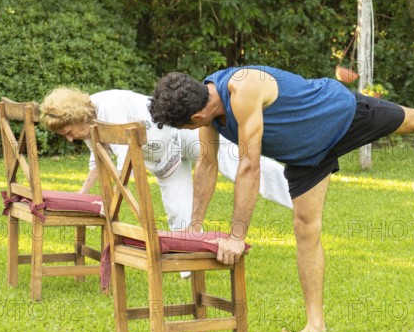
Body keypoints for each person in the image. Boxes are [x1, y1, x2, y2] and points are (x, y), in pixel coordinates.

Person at [148, 65, 414, 332]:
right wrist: (194, 225)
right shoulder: (209, 115)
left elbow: (249, 167)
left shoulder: (241, 89)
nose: (189, 131)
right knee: (305, 230)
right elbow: (207, 165)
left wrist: (236, 234)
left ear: (195, 114)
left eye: (185, 126)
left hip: (339, 115)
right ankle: (316, 325)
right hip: (306, 156)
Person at [39, 87, 293, 233]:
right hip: (163, 160)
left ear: (76, 116)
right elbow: (98, 160)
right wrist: (84, 193)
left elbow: (125, 162)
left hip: (182, 132)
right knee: (177, 213)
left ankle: (297, 194)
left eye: (68, 132)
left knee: (237, 161)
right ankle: (189, 270)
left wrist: (113, 202)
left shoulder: (109, 108)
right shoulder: (87, 124)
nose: (70, 139)